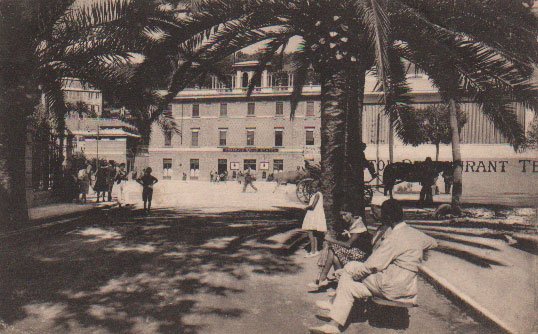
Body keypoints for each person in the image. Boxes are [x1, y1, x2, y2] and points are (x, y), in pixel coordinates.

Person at [309, 199, 437, 334]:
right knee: (350, 286)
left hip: (389, 286)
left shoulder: (393, 238)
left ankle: (334, 311)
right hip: (407, 287)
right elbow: (433, 243)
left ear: (387, 217)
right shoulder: (414, 233)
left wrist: (353, 275)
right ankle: (333, 324)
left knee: (350, 269)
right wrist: (420, 254)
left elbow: (371, 265)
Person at [309, 210, 371, 290]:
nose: (343, 217)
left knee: (333, 247)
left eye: (345, 214)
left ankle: (322, 277)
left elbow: (348, 244)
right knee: (334, 257)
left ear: (351, 212)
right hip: (354, 251)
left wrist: (331, 240)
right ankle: (339, 285)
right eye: (341, 215)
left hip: (361, 255)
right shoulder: (351, 223)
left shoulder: (358, 225)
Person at [302, 186, 327, 257]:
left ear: (317, 187)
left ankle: (312, 251)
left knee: (310, 233)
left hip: (313, 215)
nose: (312, 188)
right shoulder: (318, 194)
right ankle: (315, 250)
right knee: (314, 234)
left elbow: (313, 206)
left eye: (314, 187)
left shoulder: (317, 194)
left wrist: (305, 207)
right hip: (315, 215)